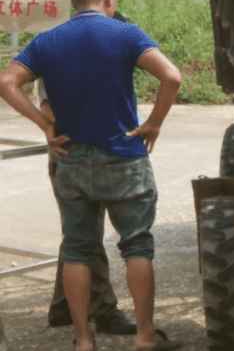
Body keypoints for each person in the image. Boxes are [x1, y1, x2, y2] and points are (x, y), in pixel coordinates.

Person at [0, 0, 183, 351]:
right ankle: (145, 336)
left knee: (77, 250)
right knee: (137, 246)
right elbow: (172, 77)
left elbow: (6, 82)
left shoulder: (47, 40)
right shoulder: (127, 35)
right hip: (123, 158)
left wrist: (44, 127)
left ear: (73, 1)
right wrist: (153, 123)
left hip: (71, 159)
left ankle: (83, 340)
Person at [41, 92, 137, 336]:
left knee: (78, 232)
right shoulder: (57, 54)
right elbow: (47, 108)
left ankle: (64, 306)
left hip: (88, 149)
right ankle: (104, 310)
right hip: (75, 153)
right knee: (87, 235)